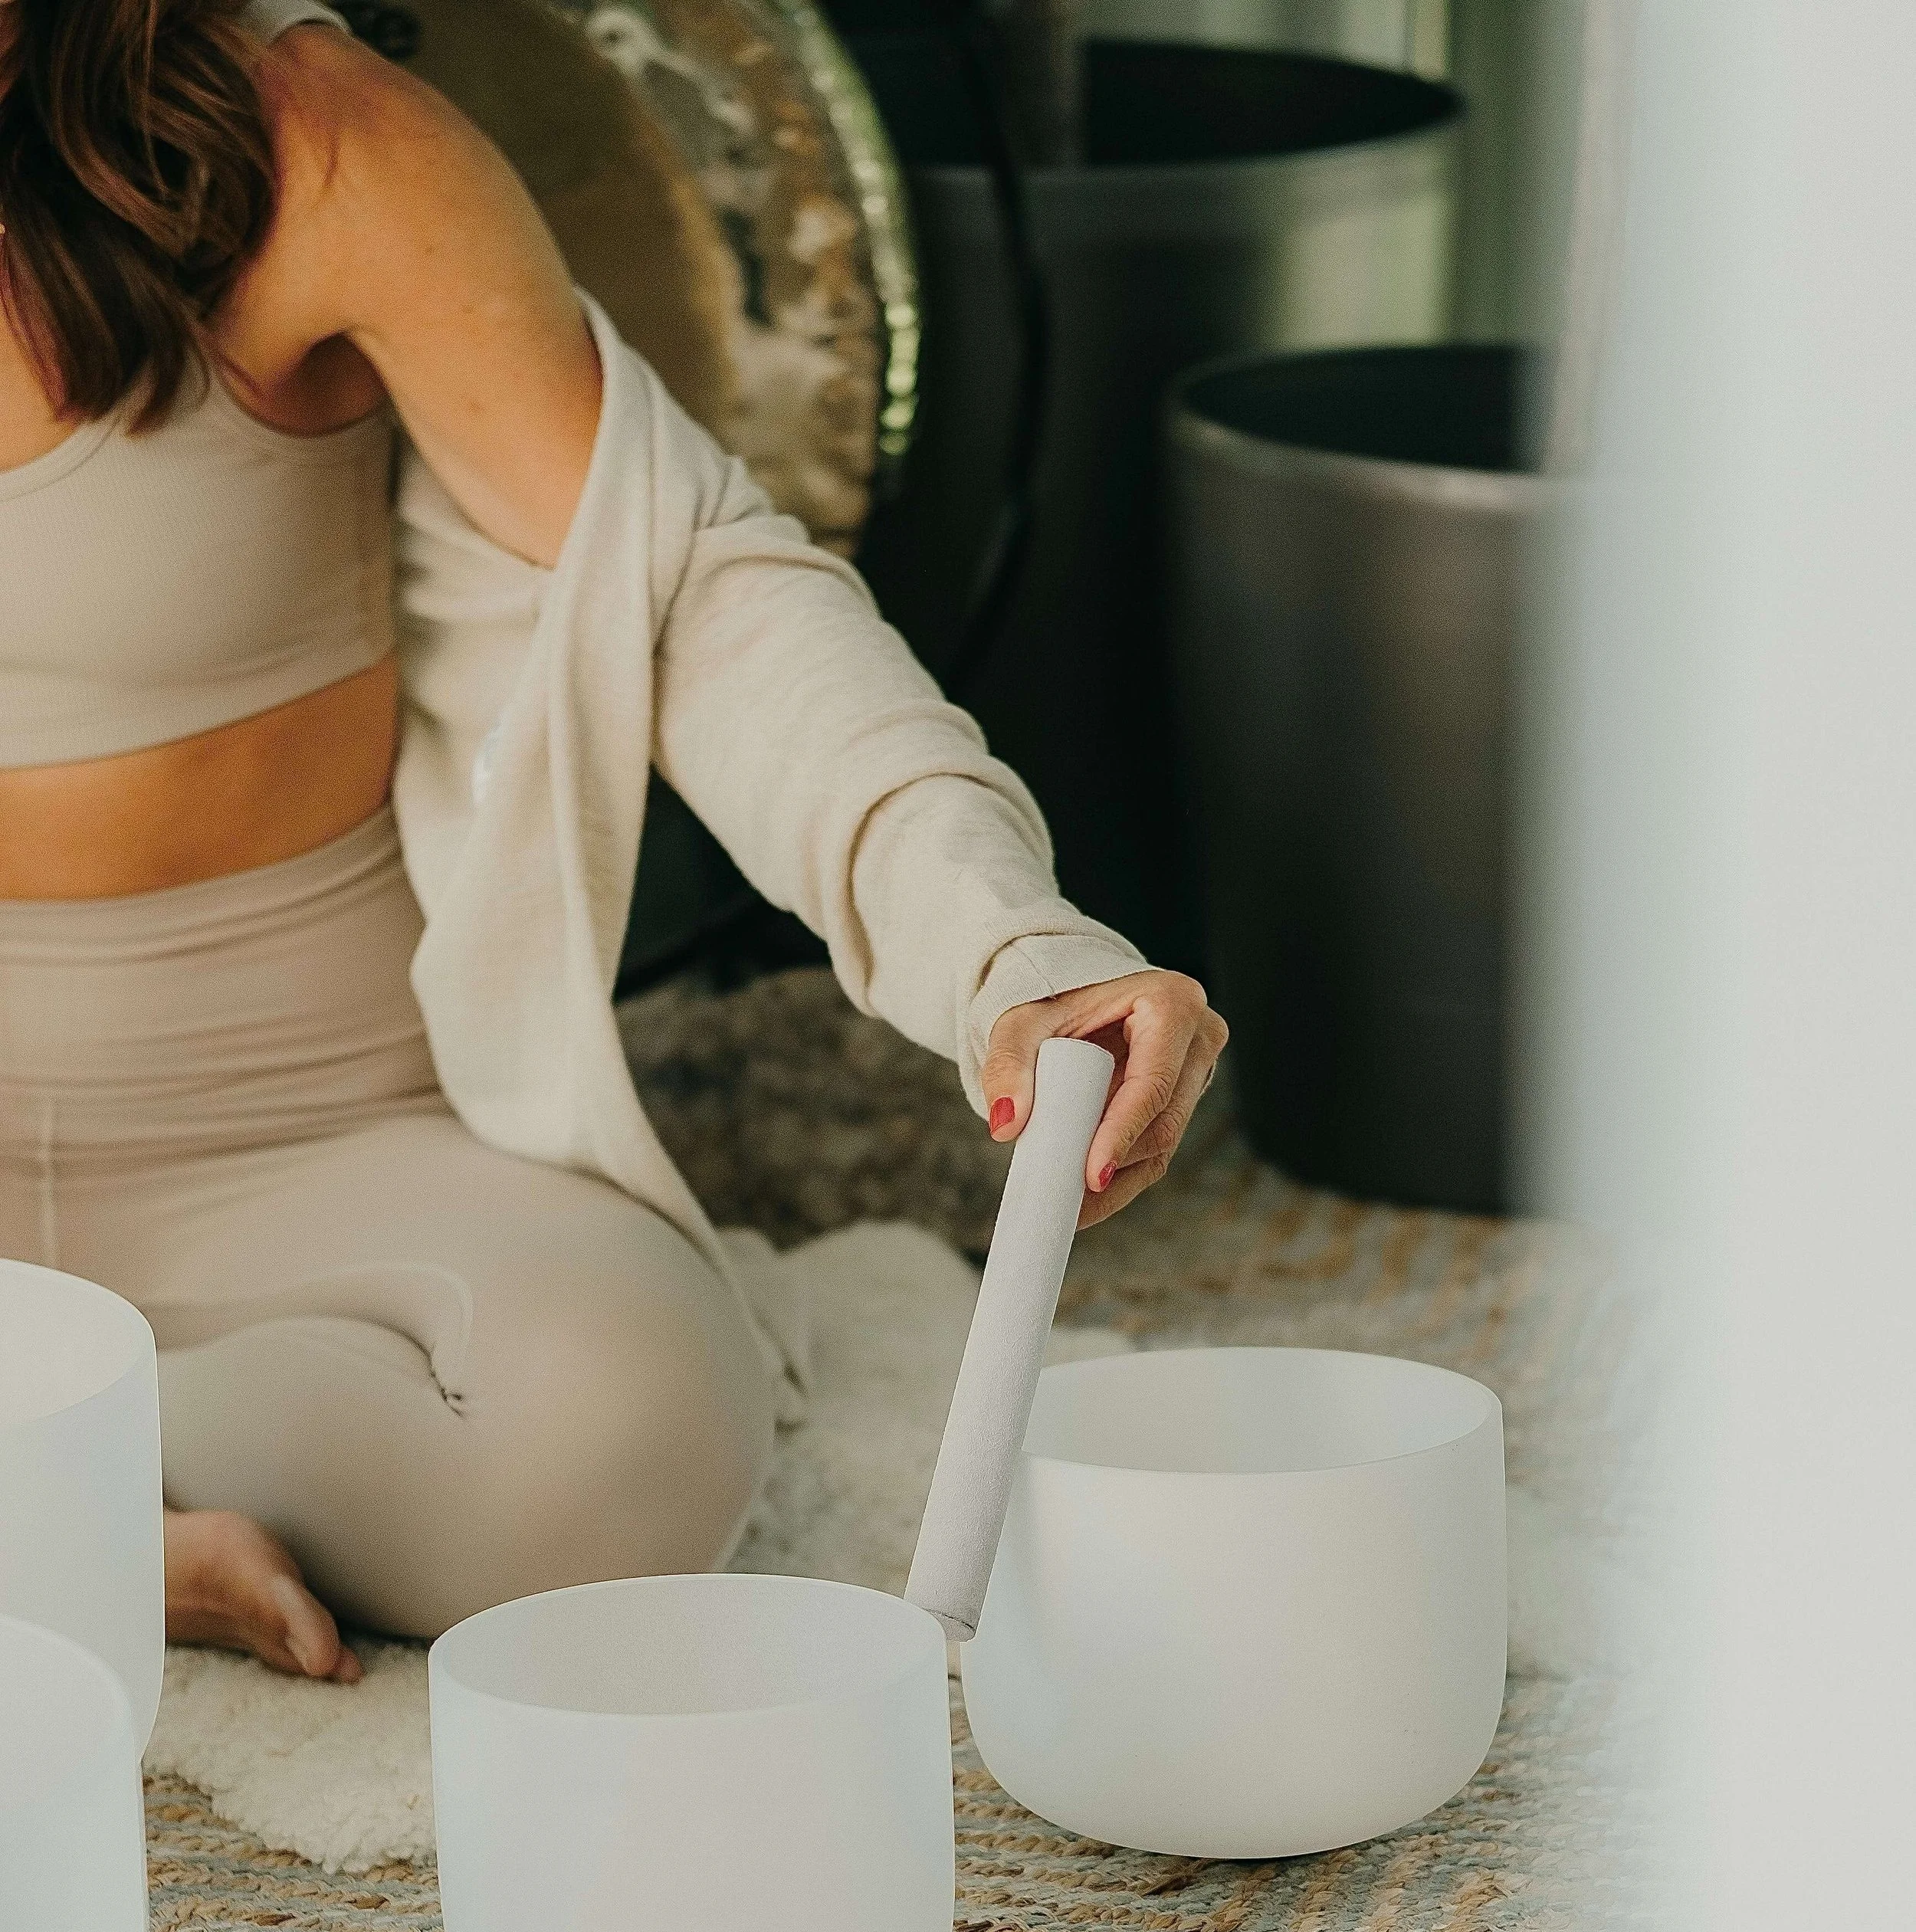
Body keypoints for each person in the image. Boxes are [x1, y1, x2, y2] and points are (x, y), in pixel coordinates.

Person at [0, 0, 1225, 1684]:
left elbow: (702, 601)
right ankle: (81, 1527)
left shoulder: (312, 144)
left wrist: (1004, 944)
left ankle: (59, 1482)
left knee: (622, 1438)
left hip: (309, 1135)